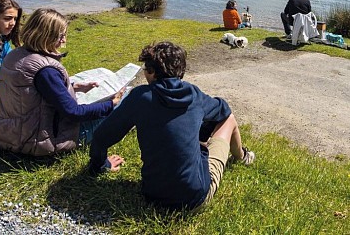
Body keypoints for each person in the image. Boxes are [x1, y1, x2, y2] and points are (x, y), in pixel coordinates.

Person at [89, 41, 255, 210]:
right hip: (194, 199)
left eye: (145, 68)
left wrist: (99, 165)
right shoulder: (193, 95)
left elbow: (101, 137)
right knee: (230, 120)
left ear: (152, 72)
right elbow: (224, 111)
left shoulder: (140, 97)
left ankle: (233, 155)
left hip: (152, 195)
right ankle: (242, 157)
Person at [0, 8, 125, 157]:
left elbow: (32, 91)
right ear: (46, 36)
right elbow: (73, 112)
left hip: (8, 133)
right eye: (61, 36)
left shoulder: (15, 55)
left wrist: (75, 87)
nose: (64, 41)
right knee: (126, 102)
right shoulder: (46, 71)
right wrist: (111, 104)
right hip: (37, 142)